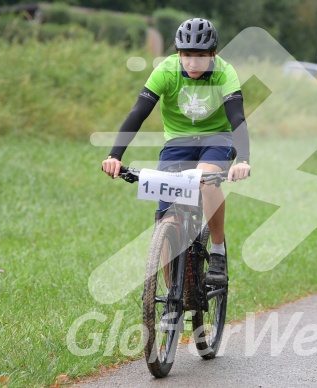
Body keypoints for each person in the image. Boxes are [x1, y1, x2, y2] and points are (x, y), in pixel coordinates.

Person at [101, 18, 251, 285]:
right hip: (178, 144)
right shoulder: (166, 70)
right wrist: (115, 155)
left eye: (201, 56)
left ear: (213, 55)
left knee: (205, 182)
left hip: (217, 139)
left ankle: (217, 251)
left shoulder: (225, 73)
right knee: (167, 219)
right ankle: (173, 298)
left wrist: (243, 159)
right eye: (187, 55)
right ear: (178, 53)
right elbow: (138, 113)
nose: (193, 63)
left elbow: (237, 117)